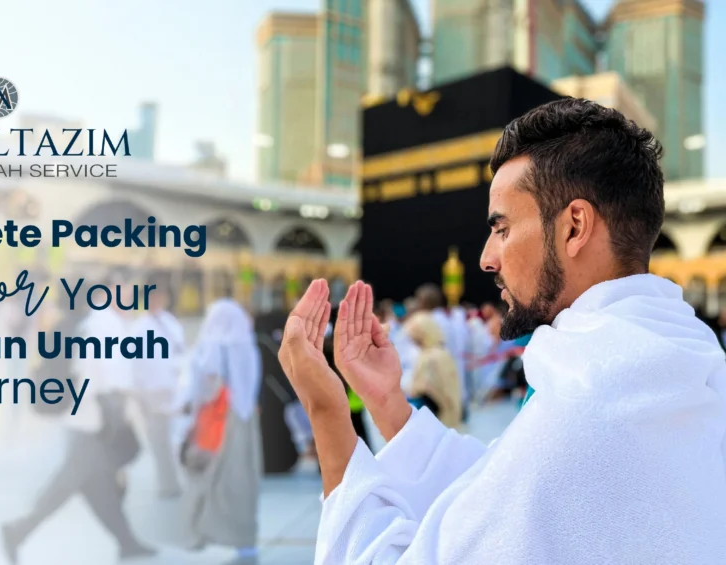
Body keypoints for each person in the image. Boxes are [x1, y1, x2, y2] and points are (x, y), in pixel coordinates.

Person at [278, 99, 726, 563]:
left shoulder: (586, 406)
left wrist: (326, 412)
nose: (486, 258)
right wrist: (389, 404)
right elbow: (503, 486)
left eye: (503, 229)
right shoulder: (677, 358)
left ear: (574, 227)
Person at [1, 272, 156, 563]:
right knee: (69, 485)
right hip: (92, 421)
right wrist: (121, 416)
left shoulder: (89, 322)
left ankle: (127, 542)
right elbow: (108, 378)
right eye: (122, 289)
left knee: (94, 487)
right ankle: (17, 530)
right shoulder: (101, 323)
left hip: (83, 418)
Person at [182, 298, 262, 565]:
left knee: (208, 478)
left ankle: (200, 532)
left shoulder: (213, 343)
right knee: (241, 481)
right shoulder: (246, 344)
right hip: (244, 420)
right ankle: (244, 539)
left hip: (218, 421)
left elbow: (207, 380)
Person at [130, 283, 186, 498]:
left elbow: (179, 351)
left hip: (170, 388)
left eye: (161, 296)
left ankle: (171, 481)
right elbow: (134, 362)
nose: (158, 301)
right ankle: (167, 483)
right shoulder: (139, 327)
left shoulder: (169, 322)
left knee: (169, 437)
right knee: (158, 439)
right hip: (149, 391)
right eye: (154, 297)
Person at [402, 312, 462, 429]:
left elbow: (433, 391)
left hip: (440, 417)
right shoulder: (436, 353)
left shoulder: (433, 357)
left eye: (416, 339)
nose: (415, 342)